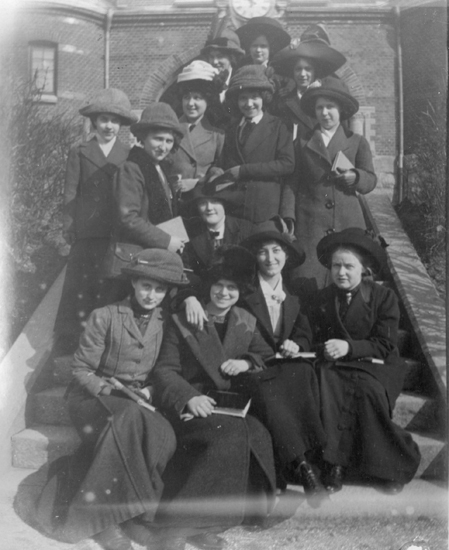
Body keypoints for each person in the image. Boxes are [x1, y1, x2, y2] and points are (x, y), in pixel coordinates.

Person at [36, 249, 190, 550]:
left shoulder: (166, 322)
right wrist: (111, 390)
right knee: (127, 420)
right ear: (133, 283)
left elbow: (163, 370)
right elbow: (81, 369)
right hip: (91, 397)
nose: (151, 295)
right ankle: (101, 522)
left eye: (159, 289)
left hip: (137, 401)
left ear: (167, 292)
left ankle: (135, 515)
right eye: (146, 286)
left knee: (164, 435)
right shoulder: (105, 316)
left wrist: (149, 391)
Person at [151, 246, 276, 550]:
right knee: (227, 434)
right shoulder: (183, 319)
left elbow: (267, 356)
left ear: (240, 292)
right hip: (189, 405)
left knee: (257, 433)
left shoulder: (245, 320)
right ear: (208, 286)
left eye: (232, 287)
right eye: (218, 285)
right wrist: (188, 397)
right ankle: (177, 527)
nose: (223, 293)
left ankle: (207, 523)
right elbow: (165, 370)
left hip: (228, 404)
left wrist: (246, 362)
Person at [309, 228, 421, 494]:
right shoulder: (322, 298)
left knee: (366, 390)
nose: (341, 272)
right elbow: (311, 336)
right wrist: (324, 348)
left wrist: (349, 346)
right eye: (336, 266)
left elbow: (385, 344)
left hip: (377, 364)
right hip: (336, 364)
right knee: (329, 382)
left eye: (349, 266)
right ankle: (335, 464)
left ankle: (391, 467)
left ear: (363, 268)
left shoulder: (384, 297)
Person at [238, 223, 327, 505]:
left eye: (276, 251)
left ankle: (307, 461)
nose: (270, 258)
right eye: (262, 252)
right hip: (254, 365)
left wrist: (296, 344)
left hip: (286, 364)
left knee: (302, 373)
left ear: (286, 256)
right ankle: (303, 467)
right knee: (268, 390)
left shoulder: (297, 294)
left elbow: (304, 331)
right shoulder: (242, 291)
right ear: (255, 257)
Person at [53, 88, 138, 355]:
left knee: (108, 285)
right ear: (94, 121)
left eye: (114, 121)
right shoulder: (79, 151)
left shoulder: (129, 153)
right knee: (80, 286)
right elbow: (71, 192)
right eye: (103, 119)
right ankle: (70, 342)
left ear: (121, 125)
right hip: (87, 232)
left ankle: (105, 343)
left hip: (115, 231)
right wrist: (69, 227)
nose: (109, 126)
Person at [287, 76, 377, 287]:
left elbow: (371, 179)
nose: (325, 112)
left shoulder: (357, 141)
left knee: (347, 280)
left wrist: (356, 177)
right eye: (320, 108)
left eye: (330, 107)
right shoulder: (301, 143)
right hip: (310, 224)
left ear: (341, 110)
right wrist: (288, 217)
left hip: (347, 223)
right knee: (309, 281)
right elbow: (291, 184)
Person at [205, 64, 294, 225]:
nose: (249, 103)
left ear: (264, 98)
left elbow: (287, 164)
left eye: (254, 97)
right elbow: (222, 161)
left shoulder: (278, 126)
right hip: (233, 207)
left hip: (263, 207)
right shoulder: (231, 128)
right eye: (243, 98)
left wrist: (244, 171)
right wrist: (215, 170)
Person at [270, 24, 347, 142]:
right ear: (292, 72)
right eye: (298, 69)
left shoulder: (329, 98)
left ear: (315, 71)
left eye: (308, 69)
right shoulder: (283, 101)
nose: (302, 74)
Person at [168, 61, 225, 207]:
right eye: (186, 97)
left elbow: (223, 173)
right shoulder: (169, 130)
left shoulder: (218, 135)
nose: (190, 103)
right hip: (173, 204)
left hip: (204, 205)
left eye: (197, 98)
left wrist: (199, 182)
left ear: (208, 101)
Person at [182, 186, 256, 280]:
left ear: (224, 204)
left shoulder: (247, 229)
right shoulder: (190, 232)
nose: (209, 208)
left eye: (214, 202)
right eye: (203, 203)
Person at [200, 27, 245, 105]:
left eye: (220, 56)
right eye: (211, 57)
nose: (215, 62)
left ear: (232, 58)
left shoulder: (241, 80)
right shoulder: (203, 80)